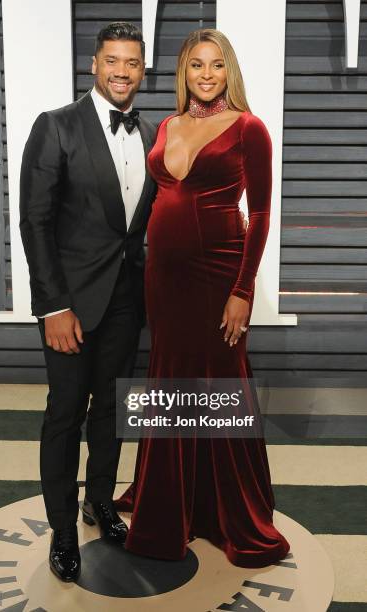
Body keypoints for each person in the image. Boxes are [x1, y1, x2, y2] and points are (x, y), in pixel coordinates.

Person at [115, 29, 291, 568]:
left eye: (216, 65)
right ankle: (171, 501)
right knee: (169, 380)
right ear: (183, 72)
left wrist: (242, 290)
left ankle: (229, 509)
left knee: (220, 385)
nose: (207, 74)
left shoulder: (249, 128)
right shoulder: (167, 125)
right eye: (197, 65)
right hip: (164, 281)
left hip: (219, 279)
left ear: (228, 71)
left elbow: (259, 215)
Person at [19, 23, 157, 582]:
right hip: (70, 307)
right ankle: (61, 528)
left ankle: (99, 501)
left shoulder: (153, 134)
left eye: (132, 62)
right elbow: (36, 221)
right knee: (64, 415)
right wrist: (53, 307)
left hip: (127, 301)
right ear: (94, 65)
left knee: (112, 411)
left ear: (142, 70)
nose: (121, 71)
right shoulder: (56, 127)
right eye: (112, 61)